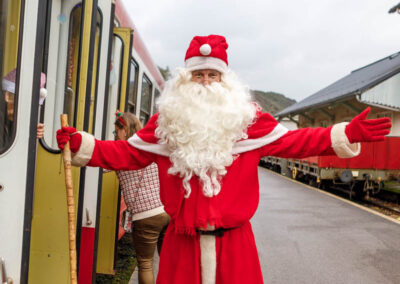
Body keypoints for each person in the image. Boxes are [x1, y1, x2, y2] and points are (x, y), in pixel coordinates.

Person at [56, 35, 391, 284]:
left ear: (224, 80)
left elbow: (294, 142)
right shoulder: (166, 125)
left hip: (235, 246)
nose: (205, 83)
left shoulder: (247, 121)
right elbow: (125, 154)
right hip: (181, 246)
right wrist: (81, 144)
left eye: (212, 76)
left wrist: (343, 134)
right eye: (198, 76)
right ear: (185, 81)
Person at [113, 110, 170, 284]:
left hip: (145, 216)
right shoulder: (150, 148)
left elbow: (101, 161)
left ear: (124, 130)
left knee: (145, 264)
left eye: (116, 131)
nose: (115, 136)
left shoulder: (121, 151)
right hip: (165, 212)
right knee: (168, 261)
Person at [1, 69, 46, 149]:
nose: (27, 110)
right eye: (25, 102)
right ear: (7, 96)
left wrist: (29, 132)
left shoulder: (10, 122)